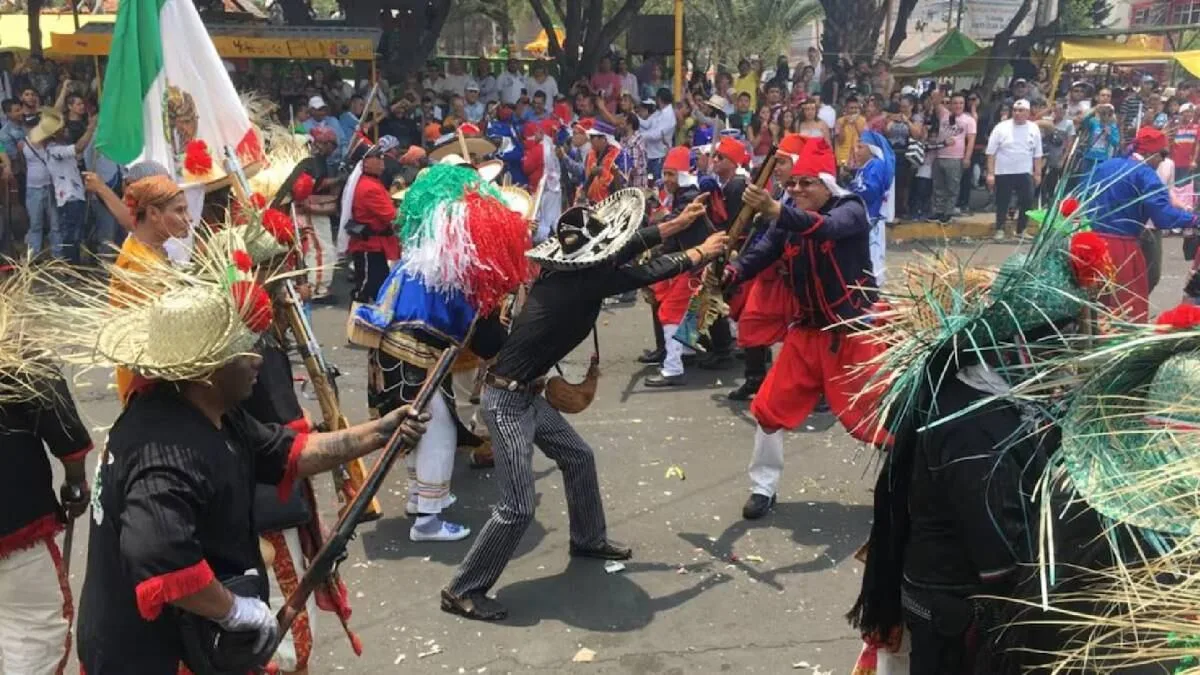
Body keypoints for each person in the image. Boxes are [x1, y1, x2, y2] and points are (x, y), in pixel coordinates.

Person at [441, 188, 729, 621]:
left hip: (527, 393)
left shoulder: (570, 268)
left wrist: (677, 224)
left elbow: (628, 245)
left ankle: (588, 538)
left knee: (578, 457)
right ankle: (462, 588)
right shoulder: (586, 279)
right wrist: (701, 252)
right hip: (507, 400)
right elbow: (644, 272)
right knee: (517, 507)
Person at [848, 224, 1113, 674]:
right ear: (1034, 340)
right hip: (957, 615)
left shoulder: (993, 385)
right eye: (1069, 333)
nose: (1075, 348)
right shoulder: (976, 433)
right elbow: (1004, 561)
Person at [730, 138, 889, 519]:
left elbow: (826, 229)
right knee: (768, 410)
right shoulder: (786, 217)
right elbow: (760, 253)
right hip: (805, 335)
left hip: (854, 333)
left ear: (826, 183)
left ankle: (901, 489)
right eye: (793, 184)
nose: (797, 190)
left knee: (880, 424)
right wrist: (729, 273)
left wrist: (776, 211)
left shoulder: (851, 208)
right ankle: (762, 488)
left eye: (807, 183)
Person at [0, 266, 92, 675]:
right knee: (35, 640)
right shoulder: (18, 351)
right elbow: (69, 441)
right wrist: (76, 484)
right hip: (16, 536)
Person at [1083, 127, 1197, 322]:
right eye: (1162, 154)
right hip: (1122, 248)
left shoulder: (1106, 166)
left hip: (1092, 245)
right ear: (1149, 153)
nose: (1163, 160)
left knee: (1096, 302)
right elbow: (1163, 217)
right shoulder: (1145, 175)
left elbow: (1083, 196)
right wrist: (1194, 219)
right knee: (1124, 306)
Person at [726, 132, 806, 401]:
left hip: (798, 278)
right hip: (771, 273)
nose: (777, 168)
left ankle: (817, 392)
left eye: (782, 162)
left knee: (805, 337)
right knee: (751, 323)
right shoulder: (781, 194)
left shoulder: (808, 197)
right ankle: (755, 379)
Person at [647, 146, 712, 387]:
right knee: (687, 310)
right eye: (665, 174)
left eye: (671, 174)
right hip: (691, 261)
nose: (666, 180)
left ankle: (673, 368)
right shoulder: (683, 194)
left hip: (696, 263)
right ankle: (686, 351)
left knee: (670, 312)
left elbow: (672, 224)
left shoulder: (687, 197)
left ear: (682, 175)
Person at [345, 144, 400, 305]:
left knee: (377, 287)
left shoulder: (371, 182)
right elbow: (391, 215)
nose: (382, 161)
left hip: (374, 245)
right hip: (370, 246)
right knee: (367, 288)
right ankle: (357, 322)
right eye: (378, 157)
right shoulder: (369, 187)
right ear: (365, 163)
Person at [986, 99, 1043, 240]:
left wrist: (1037, 173)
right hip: (1004, 171)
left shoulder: (1033, 128)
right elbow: (991, 153)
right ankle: (999, 229)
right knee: (1002, 201)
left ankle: (1021, 230)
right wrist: (990, 174)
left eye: (1021, 110)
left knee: (1027, 201)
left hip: (1025, 171)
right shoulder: (1001, 127)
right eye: (1015, 110)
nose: (1017, 113)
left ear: (1028, 112)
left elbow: (1037, 154)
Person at [850, 131, 895, 286]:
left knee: (873, 255)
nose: (857, 151)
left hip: (872, 218)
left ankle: (874, 287)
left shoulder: (876, 165)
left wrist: (851, 191)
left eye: (861, 147)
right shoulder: (865, 167)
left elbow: (871, 191)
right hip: (866, 218)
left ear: (872, 149)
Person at [931, 93, 976, 225]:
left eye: (961, 103)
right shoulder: (944, 114)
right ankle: (938, 211)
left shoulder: (969, 120)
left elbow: (971, 140)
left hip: (956, 158)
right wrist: (940, 93)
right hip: (940, 155)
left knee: (952, 187)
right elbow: (936, 103)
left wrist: (967, 158)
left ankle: (948, 212)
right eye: (955, 103)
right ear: (951, 104)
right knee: (938, 186)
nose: (958, 106)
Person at [582, 120, 623, 204]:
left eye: (593, 137)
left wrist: (603, 172)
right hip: (592, 204)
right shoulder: (590, 155)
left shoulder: (619, 156)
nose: (590, 140)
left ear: (604, 139)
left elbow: (622, 187)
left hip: (611, 205)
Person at [300, 96, 346, 170]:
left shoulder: (333, 121)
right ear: (311, 111)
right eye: (318, 110)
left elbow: (344, 142)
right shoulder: (305, 126)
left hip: (338, 163)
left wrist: (344, 159)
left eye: (323, 109)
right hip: (318, 166)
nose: (322, 112)